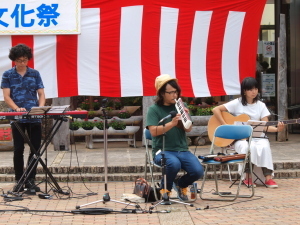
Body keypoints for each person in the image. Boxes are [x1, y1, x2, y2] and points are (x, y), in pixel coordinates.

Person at [212, 77, 284, 188]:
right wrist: (225, 125)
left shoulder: (261, 105)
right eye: (250, 89)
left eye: (255, 88)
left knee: (264, 146)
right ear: (244, 91)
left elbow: (265, 126)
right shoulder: (237, 103)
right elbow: (215, 109)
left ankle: (268, 178)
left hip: (258, 137)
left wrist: (277, 129)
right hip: (240, 138)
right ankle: (248, 178)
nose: (254, 91)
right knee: (247, 147)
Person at [146, 74, 204, 202]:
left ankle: (181, 184)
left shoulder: (180, 106)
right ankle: (165, 190)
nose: (174, 95)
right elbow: (154, 132)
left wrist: (185, 118)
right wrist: (171, 123)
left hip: (182, 149)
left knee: (198, 171)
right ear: (161, 93)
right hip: (162, 150)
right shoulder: (154, 110)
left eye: (176, 91)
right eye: (170, 92)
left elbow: (188, 129)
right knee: (173, 164)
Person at [1, 44, 45, 192]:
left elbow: (41, 94)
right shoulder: (8, 74)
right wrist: (16, 109)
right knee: (18, 149)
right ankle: (19, 180)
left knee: (35, 149)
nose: (22, 63)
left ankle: (30, 180)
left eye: (25, 60)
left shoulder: (35, 73)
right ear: (14, 60)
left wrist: (40, 109)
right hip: (17, 118)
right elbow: (6, 97)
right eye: (19, 60)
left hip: (34, 117)